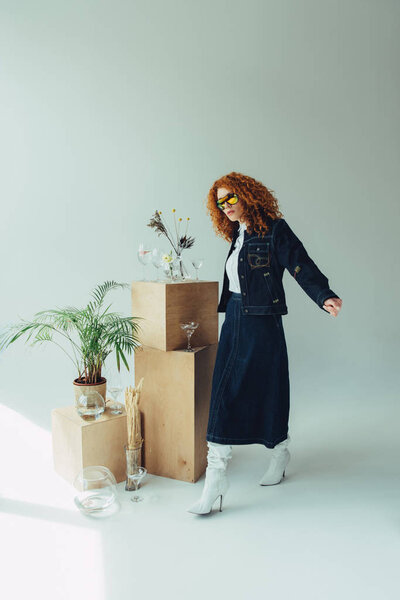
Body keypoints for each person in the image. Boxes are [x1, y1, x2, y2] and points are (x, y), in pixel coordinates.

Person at [187, 171, 342, 515]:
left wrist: (323, 295)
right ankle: (215, 481)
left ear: (246, 195)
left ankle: (279, 452)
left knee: (270, 389)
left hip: (263, 323)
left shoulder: (274, 229)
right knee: (224, 393)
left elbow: (300, 263)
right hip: (235, 320)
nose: (225, 206)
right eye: (219, 201)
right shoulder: (237, 234)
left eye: (231, 198)